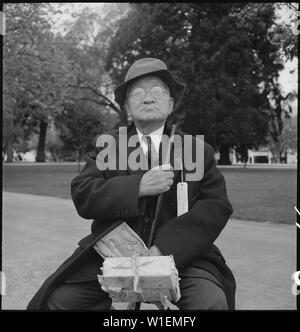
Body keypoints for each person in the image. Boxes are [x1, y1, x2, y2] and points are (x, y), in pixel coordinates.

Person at [27, 57, 236, 310]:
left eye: (158, 91)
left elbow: (216, 206)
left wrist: (164, 249)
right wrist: (137, 187)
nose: (148, 98)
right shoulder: (109, 146)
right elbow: (83, 192)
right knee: (56, 303)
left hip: (183, 257)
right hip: (112, 256)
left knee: (210, 303)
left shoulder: (197, 150)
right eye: (138, 93)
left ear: (170, 104)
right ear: (126, 106)